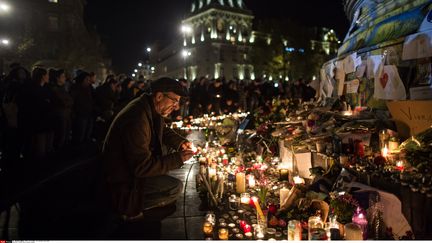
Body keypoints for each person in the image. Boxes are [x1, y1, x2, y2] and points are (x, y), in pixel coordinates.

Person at [102, 77, 194, 221]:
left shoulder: (148, 107)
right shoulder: (137, 119)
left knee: (167, 152)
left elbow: (162, 130)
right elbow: (141, 167)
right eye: (174, 100)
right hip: (123, 179)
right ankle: (129, 208)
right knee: (175, 187)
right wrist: (179, 158)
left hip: (130, 169)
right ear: (159, 96)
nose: (176, 107)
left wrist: (180, 143)